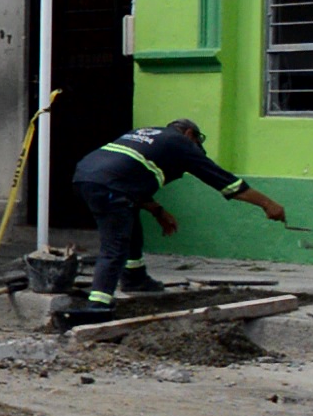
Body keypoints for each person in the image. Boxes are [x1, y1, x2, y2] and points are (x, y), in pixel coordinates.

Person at [69, 119, 287, 314]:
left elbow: (129, 181)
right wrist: (268, 205)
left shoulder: (149, 134)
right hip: (110, 186)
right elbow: (228, 184)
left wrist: (158, 211)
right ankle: (98, 304)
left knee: (128, 216)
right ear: (190, 134)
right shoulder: (181, 144)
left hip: (84, 176)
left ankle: (135, 278)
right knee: (115, 245)